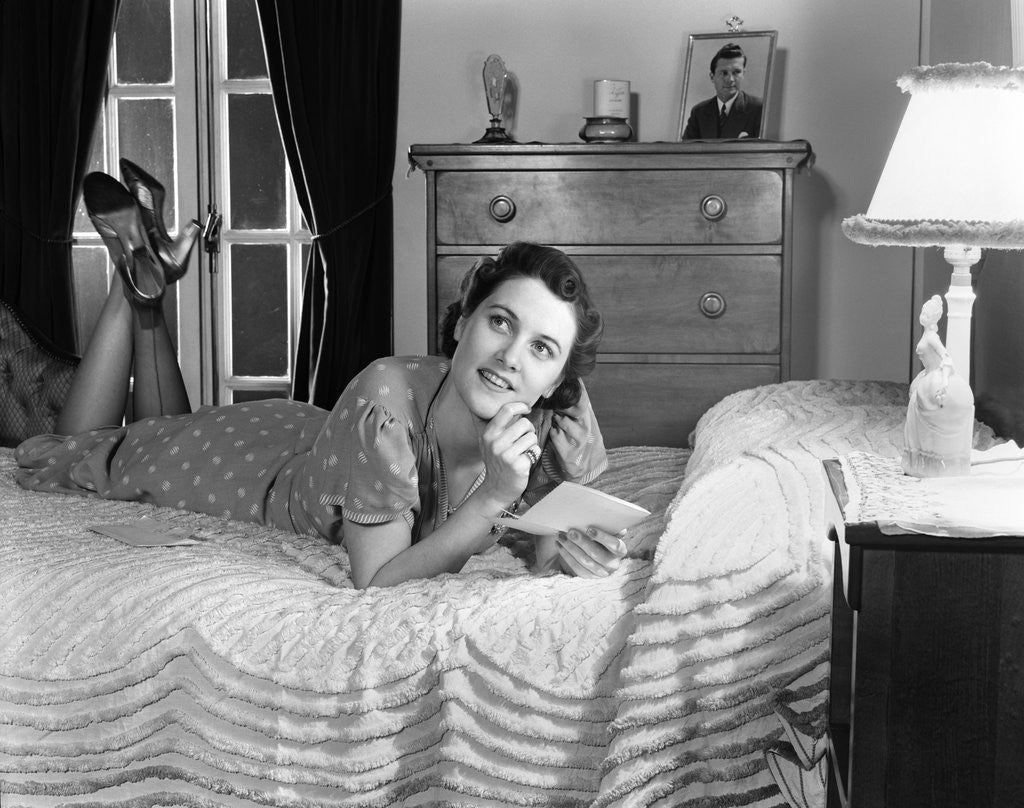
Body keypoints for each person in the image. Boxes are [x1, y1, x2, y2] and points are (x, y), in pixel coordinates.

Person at [16, 166, 627, 588]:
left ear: (555, 381)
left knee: (163, 425)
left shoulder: (564, 419)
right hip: (264, 473)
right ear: (465, 320)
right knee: (94, 451)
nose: (512, 356)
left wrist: (576, 560)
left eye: (543, 347)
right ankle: (132, 289)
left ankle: (143, 278)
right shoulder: (386, 399)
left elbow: (550, 544)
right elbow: (379, 582)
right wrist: (492, 497)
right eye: (501, 321)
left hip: (324, 438)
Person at [902, 295, 974, 477]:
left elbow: (946, 357)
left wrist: (942, 377)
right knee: (913, 414)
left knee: (923, 411)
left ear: (934, 318)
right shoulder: (926, 334)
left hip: (934, 375)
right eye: (923, 312)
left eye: (927, 314)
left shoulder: (932, 337)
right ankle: (916, 459)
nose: (923, 316)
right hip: (925, 375)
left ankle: (934, 460)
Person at [681, 42, 763, 140]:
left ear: (743, 74)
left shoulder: (758, 109)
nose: (731, 79)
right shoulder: (699, 112)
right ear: (712, 77)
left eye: (736, 72)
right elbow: (686, 152)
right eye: (724, 73)